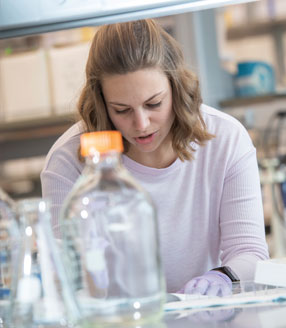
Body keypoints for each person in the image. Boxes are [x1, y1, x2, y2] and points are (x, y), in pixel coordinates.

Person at [41, 19, 269, 295]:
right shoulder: (70, 159)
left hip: (204, 315)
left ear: (176, 86)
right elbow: (66, 274)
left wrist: (222, 277)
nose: (141, 124)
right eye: (121, 109)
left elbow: (249, 250)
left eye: (154, 103)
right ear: (101, 102)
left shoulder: (226, 138)